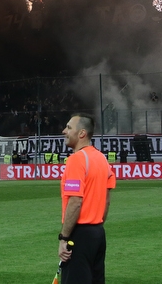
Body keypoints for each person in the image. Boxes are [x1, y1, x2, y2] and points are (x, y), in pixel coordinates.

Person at [58, 114, 115, 284]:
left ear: (81, 133)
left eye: (69, 127)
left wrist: (64, 238)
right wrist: (96, 225)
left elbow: (75, 201)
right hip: (98, 233)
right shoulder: (102, 159)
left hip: (80, 234)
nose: (64, 131)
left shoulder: (77, 160)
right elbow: (106, 201)